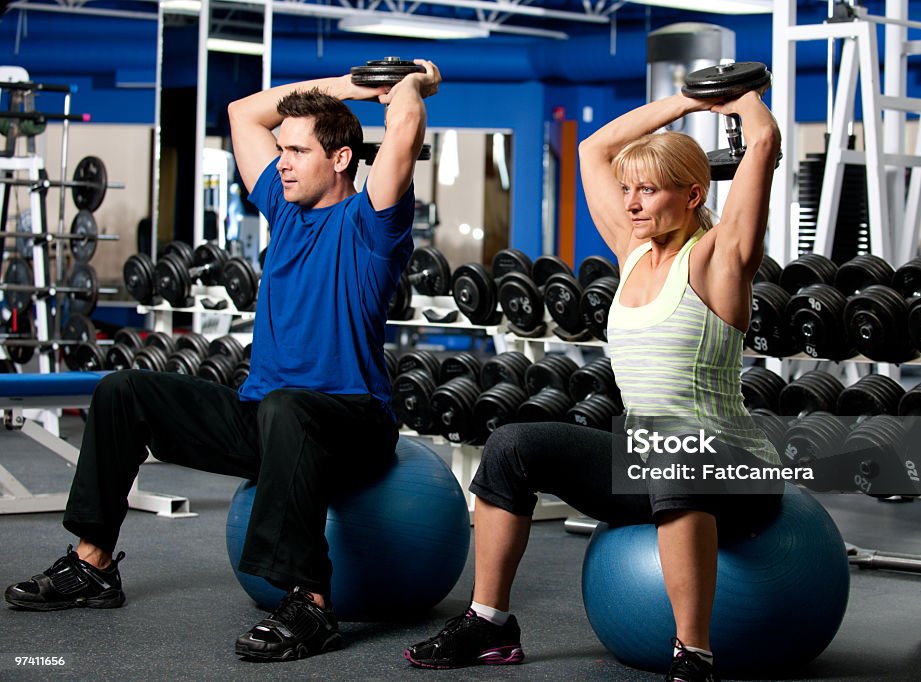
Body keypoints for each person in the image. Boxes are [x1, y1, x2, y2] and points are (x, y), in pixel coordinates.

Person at [4, 60, 441, 662]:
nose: (281, 160)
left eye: (297, 150)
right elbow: (243, 113)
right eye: (280, 149)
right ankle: (93, 564)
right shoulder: (285, 213)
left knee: (290, 408)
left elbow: (405, 133)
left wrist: (411, 85)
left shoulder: (370, 226)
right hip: (266, 415)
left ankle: (312, 606)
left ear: (340, 160)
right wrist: (348, 87)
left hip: (352, 421)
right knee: (123, 389)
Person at [404, 85, 782, 681]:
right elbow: (594, 150)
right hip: (653, 460)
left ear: (693, 193)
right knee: (511, 447)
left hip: (734, 468)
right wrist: (684, 100)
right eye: (627, 190)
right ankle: (490, 622)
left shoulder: (718, 258)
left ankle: (694, 656)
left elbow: (763, 140)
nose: (630, 203)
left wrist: (740, 98)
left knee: (669, 456)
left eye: (647, 190)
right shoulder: (632, 251)